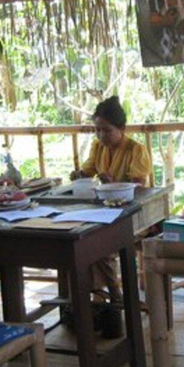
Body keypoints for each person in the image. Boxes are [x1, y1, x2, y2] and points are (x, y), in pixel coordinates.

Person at [70, 96, 152, 301]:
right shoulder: (98, 147)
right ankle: (99, 298)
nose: (101, 135)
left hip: (134, 217)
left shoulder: (136, 150)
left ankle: (114, 297)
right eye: (97, 130)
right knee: (84, 244)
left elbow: (139, 188)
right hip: (105, 214)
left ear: (122, 128)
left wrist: (113, 182)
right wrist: (79, 175)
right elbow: (88, 171)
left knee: (99, 248)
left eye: (107, 130)